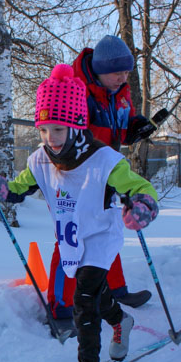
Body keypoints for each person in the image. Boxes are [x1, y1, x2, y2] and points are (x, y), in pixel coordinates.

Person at [0, 64, 159, 362]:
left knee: (84, 299)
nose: (50, 138)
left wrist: (143, 206)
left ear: (76, 125)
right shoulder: (41, 160)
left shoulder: (105, 160)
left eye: (57, 129)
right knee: (93, 294)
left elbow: (141, 188)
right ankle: (122, 322)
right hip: (72, 238)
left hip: (101, 235)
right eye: (43, 130)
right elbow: (18, 189)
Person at [44, 35, 154, 335]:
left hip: (107, 169)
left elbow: (121, 129)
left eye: (126, 72)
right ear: (100, 68)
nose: (123, 78)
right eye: (117, 72)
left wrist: (135, 128)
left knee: (107, 229)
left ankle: (115, 288)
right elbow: (58, 131)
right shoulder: (74, 90)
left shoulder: (118, 91)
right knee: (70, 237)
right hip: (76, 173)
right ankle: (60, 304)